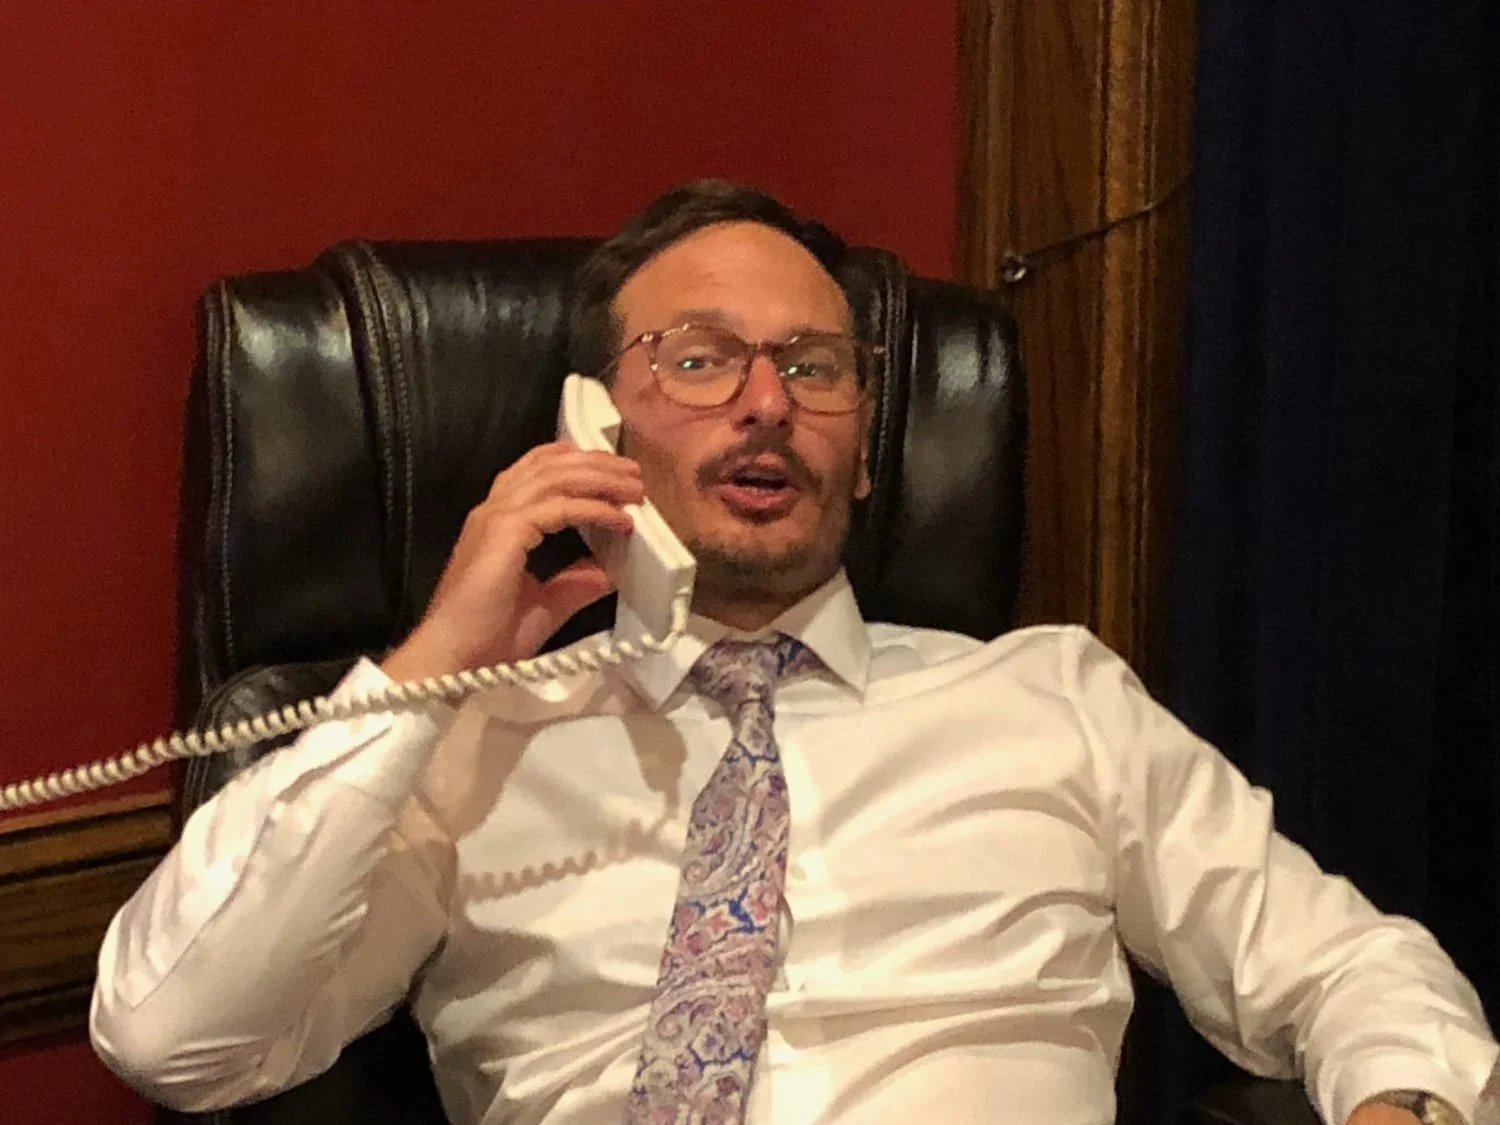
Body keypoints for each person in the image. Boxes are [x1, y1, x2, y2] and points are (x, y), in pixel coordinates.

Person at [91, 181, 1498, 1125]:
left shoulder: (1055, 699)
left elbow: (1349, 968)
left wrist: (1398, 1104)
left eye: (813, 367)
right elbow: (171, 1037)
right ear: (597, 419)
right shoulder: (464, 743)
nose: (766, 405)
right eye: (699, 360)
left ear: (868, 448)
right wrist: (428, 668)